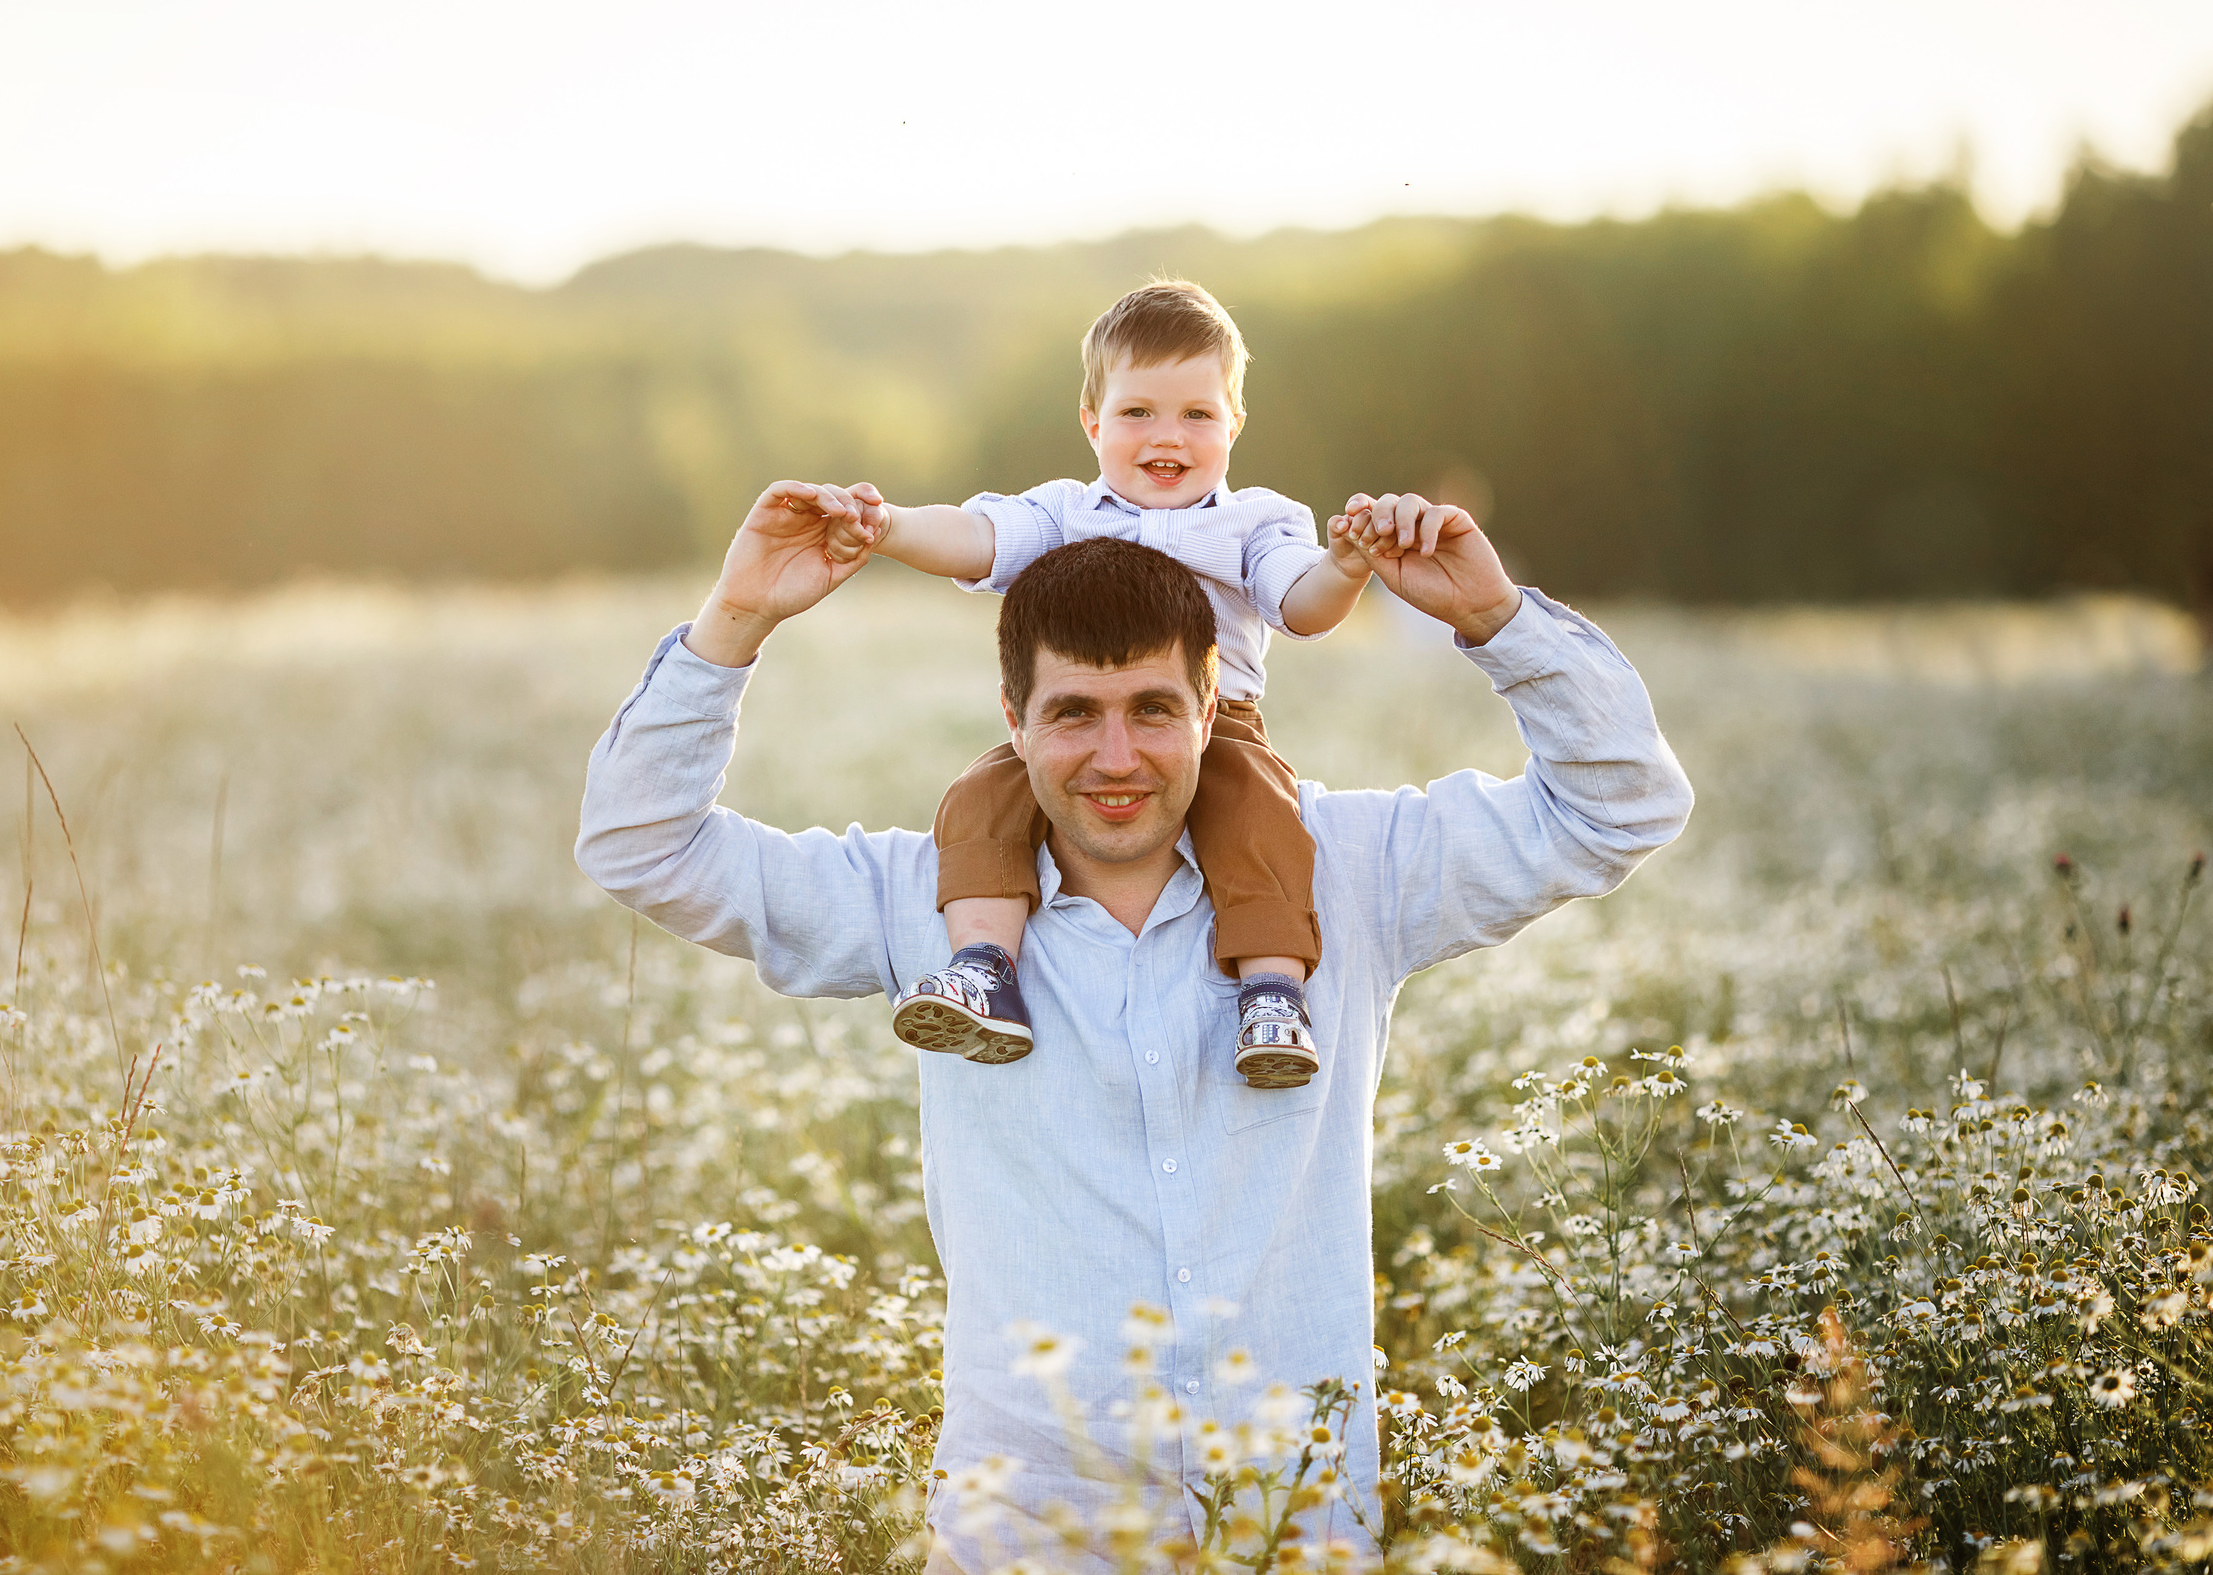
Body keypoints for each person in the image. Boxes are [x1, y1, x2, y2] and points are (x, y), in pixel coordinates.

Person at [575, 480, 1694, 1569]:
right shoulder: (916, 898)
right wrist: (736, 621)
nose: (1116, 760)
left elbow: (1622, 804)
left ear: (1214, 709)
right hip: (1029, 1529)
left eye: (1154, 710)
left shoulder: (1348, 872)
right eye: (1073, 714)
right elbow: (642, 846)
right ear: (1012, 720)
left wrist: (1498, 623)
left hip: (1288, 1520)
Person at [812, 280, 1386, 1091]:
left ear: (1234, 425)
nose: (1168, 436)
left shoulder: (1256, 522)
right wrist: (888, 527)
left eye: (1197, 414)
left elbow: (1302, 602)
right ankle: (984, 966)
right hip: (1072, 726)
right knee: (981, 796)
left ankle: (1271, 991)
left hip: (1214, 726)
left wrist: (1347, 565)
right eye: (1138, 412)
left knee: (1260, 819)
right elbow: (978, 539)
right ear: (1092, 421)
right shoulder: (1065, 514)